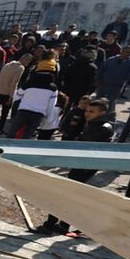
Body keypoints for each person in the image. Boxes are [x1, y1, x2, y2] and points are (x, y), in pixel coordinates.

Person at [36, 99, 115, 233]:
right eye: (87, 111)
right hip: (83, 164)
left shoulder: (102, 128)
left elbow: (88, 146)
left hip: (85, 165)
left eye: (91, 111)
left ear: (102, 113)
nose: (87, 114)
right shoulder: (95, 124)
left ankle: (50, 225)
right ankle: (62, 225)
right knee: (72, 194)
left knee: (66, 194)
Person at [7, 54, 59, 139]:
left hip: (23, 112)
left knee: (11, 133)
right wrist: (46, 116)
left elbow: (17, 96)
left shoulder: (29, 83)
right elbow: (51, 105)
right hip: (38, 115)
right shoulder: (53, 88)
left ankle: (5, 149)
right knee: (27, 136)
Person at [96, 45, 130, 111]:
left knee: (111, 102)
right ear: (121, 50)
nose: (127, 53)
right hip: (103, 83)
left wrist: (122, 79)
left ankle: (109, 117)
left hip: (117, 86)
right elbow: (102, 69)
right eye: (125, 51)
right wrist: (98, 79)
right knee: (98, 100)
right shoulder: (111, 59)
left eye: (129, 52)